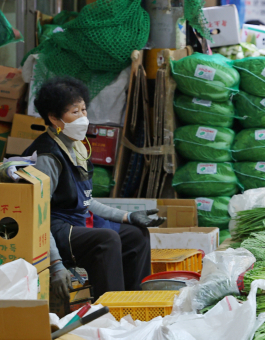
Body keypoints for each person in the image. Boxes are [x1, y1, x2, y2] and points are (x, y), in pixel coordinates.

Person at [24, 77, 165, 301]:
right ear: (54, 118)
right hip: (53, 228)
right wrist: (55, 263)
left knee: (136, 234)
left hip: (76, 222)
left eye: (83, 110)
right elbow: (37, 214)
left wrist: (128, 216)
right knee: (106, 239)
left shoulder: (76, 146)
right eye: (74, 112)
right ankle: (111, 311)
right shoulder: (47, 155)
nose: (83, 118)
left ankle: (136, 302)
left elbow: (87, 201)